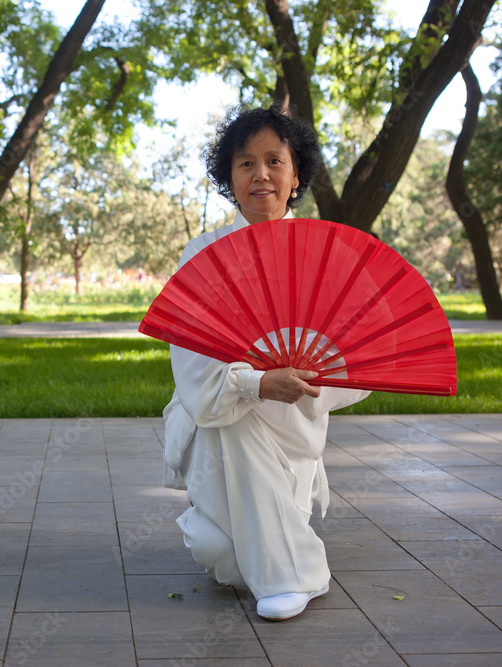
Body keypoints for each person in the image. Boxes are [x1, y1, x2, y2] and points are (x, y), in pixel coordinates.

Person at [162, 105, 371, 620]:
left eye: (275, 160)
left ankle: (254, 546)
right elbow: (196, 375)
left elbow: (362, 366)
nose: (261, 175)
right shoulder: (202, 254)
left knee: (223, 554)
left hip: (295, 436)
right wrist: (256, 383)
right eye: (245, 163)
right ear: (228, 177)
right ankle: (296, 575)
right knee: (233, 410)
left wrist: (304, 379)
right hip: (212, 427)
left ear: (295, 173)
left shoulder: (328, 255)